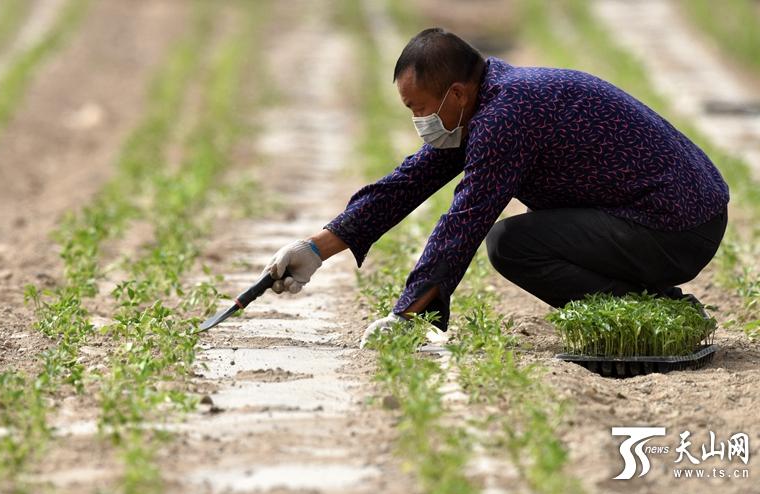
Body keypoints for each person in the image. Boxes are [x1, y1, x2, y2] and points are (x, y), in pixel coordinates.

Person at [262, 27, 729, 348]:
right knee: (517, 237)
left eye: (418, 107)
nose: (417, 121)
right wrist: (315, 248)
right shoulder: (490, 102)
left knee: (512, 243)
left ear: (457, 94)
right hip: (682, 211)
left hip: (676, 225)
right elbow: (405, 184)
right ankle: (662, 305)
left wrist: (408, 316)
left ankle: (659, 310)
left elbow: (465, 220)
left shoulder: (506, 118)